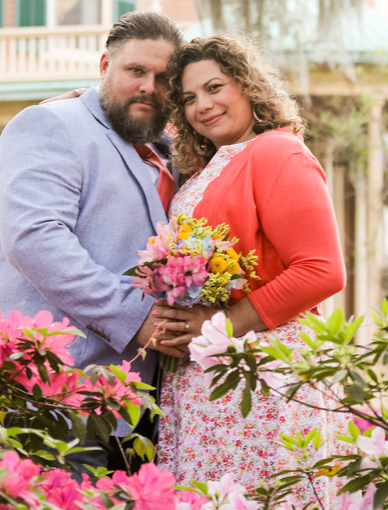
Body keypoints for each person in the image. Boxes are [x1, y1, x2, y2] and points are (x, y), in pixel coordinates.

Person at [0, 10, 186, 472]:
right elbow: (35, 239)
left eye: (163, 77)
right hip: (43, 395)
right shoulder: (53, 124)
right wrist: (138, 319)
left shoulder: (168, 154)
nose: (150, 86)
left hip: (131, 413)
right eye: (136, 70)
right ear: (104, 64)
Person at [148, 33, 346, 487]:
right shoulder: (210, 166)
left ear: (247, 85)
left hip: (259, 373)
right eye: (189, 98)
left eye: (215, 87)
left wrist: (218, 324)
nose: (203, 105)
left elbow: (322, 271)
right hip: (206, 376)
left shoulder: (278, 151)